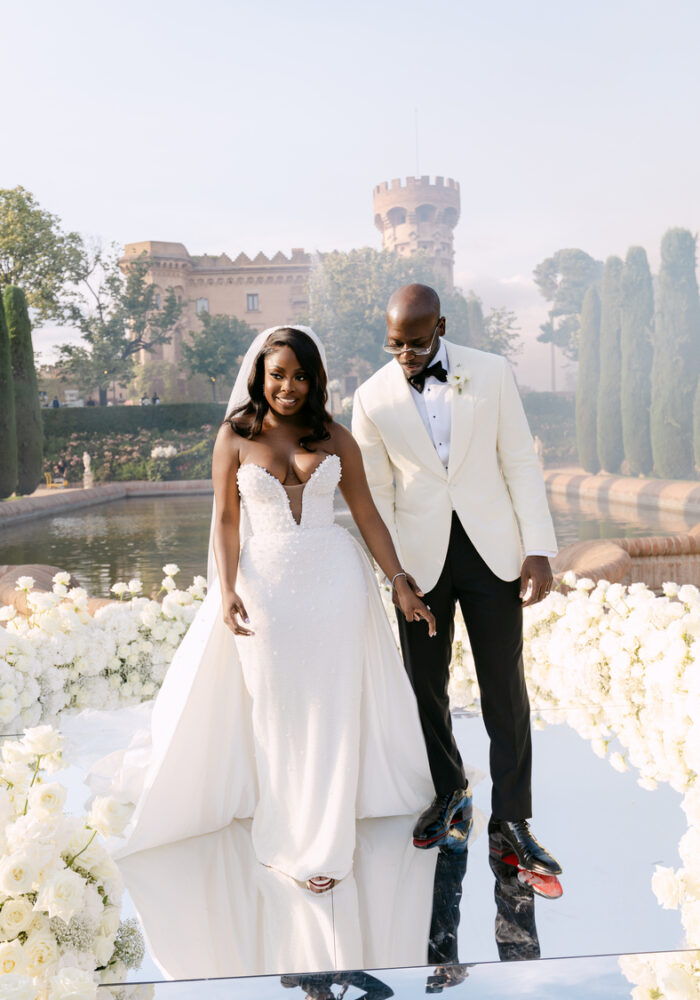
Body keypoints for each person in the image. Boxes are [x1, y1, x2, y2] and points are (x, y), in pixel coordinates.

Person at [82, 326, 437, 895]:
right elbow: (226, 520)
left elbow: (367, 514)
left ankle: (323, 842)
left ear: (315, 380)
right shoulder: (235, 436)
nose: (288, 387)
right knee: (277, 707)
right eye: (278, 375)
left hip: (336, 584)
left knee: (332, 709)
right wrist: (225, 588)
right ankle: (287, 830)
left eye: (300, 376)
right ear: (260, 377)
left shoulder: (337, 438)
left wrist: (398, 581)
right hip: (265, 588)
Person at [352, 284, 561, 877]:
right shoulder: (370, 398)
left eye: (417, 344)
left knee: (505, 689)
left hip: (493, 551)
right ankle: (450, 793)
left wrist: (538, 548)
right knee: (425, 685)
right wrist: (396, 576)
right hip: (419, 562)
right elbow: (375, 496)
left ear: (440, 327)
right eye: (395, 345)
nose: (406, 355)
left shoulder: (491, 372)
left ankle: (512, 820)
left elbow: (519, 460)